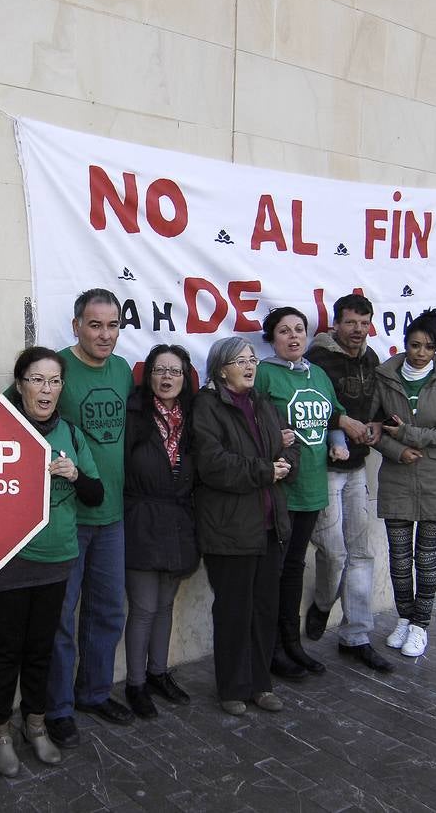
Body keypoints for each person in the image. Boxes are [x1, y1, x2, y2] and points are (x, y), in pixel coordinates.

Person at [0, 347, 103, 777]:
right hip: (8, 561)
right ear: (20, 384)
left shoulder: (70, 433)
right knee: (8, 648)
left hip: (57, 559)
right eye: (36, 379)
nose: (45, 389)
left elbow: (95, 494)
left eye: (53, 381)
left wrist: (74, 474)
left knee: (41, 649)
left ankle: (35, 725)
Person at [255, 307, 369, 680]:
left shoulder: (317, 373)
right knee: (274, 572)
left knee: (293, 570)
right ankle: (271, 649)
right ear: (272, 338)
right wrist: (272, 441)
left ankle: (292, 644)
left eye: (299, 330)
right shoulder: (263, 375)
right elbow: (247, 423)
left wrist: (338, 441)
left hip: (313, 488)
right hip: (280, 490)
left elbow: (332, 414)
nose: (293, 337)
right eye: (284, 331)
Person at [190, 336, 301, 715]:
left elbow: (288, 445)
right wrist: (265, 470)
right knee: (235, 611)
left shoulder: (261, 403)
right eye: (241, 360)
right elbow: (213, 464)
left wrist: (285, 462)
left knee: (264, 610)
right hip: (230, 528)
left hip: (270, 526)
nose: (250, 365)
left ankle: (260, 684)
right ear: (222, 369)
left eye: (252, 358)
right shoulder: (207, 406)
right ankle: (232, 689)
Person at [45, 289, 134, 747]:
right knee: (61, 617)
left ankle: (94, 693)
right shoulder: (56, 368)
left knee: (108, 610)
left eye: (112, 325)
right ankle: (57, 708)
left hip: (113, 515)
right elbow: (15, 415)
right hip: (66, 516)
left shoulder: (122, 371)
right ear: (77, 324)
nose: (104, 334)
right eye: (95, 324)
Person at [303, 294, 393, 672]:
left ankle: (356, 635)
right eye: (351, 322)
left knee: (361, 553)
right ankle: (323, 603)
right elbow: (309, 409)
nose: (358, 330)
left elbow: (378, 409)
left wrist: (376, 426)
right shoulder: (316, 360)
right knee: (334, 552)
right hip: (325, 469)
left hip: (357, 469)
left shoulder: (372, 360)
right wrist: (339, 428)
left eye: (364, 322)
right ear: (335, 325)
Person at [373, 309, 436, 658]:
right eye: (415, 345)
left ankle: (420, 625)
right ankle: (403, 617)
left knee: (425, 558)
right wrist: (398, 451)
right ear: (405, 345)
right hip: (397, 477)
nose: (420, 353)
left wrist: (410, 434)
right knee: (399, 557)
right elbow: (374, 428)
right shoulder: (385, 377)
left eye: (428, 347)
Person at [121, 345, 200, 718]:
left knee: (166, 605)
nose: (167, 377)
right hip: (141, 519)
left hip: (179, 522)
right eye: (159, 370)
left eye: (175, 371)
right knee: (143, 607)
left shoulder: (193, 417)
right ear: (148, 375)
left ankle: (158, 673)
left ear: (185, 378)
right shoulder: (133, 414)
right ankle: (135, 684)